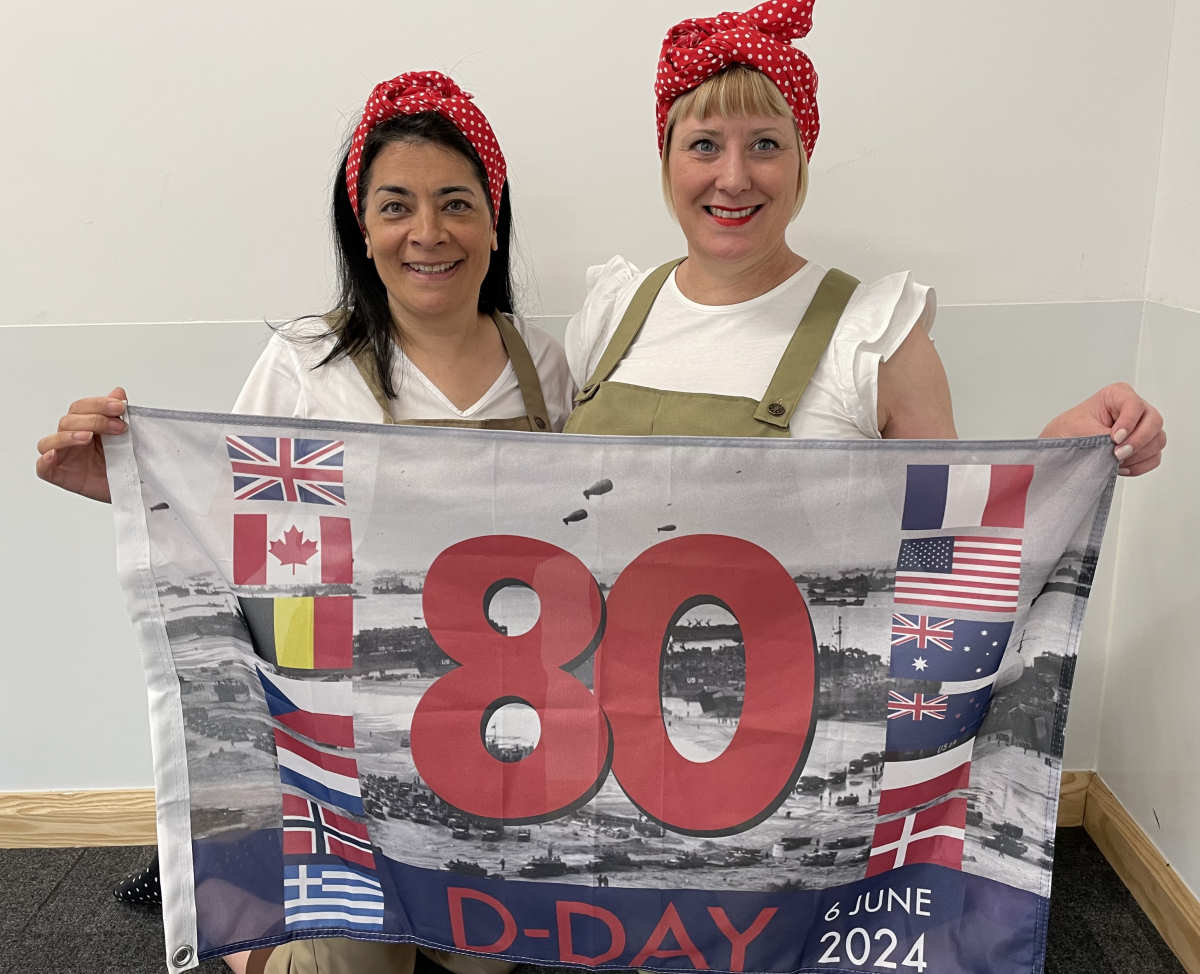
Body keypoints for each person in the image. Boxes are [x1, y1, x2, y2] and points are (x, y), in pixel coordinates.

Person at [35, 70, 571, 974]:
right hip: (338, 749)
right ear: (361, 225)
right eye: (396, 205)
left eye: (456, 203)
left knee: (491, 957)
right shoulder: (302, 364)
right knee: (358, 964)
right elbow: (231, 529)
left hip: (492, 740)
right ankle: (254, 931)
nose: (427, 234)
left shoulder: (549, 365)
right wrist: (126, 484)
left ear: (494, 215)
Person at [563, 0, 1166, 474]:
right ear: (667, 160)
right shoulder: (611, 312)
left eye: (766, 145)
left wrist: (1058, 455)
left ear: (802, 162)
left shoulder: (877, 338)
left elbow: (947, 546)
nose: (734, 177)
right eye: (704, 144)